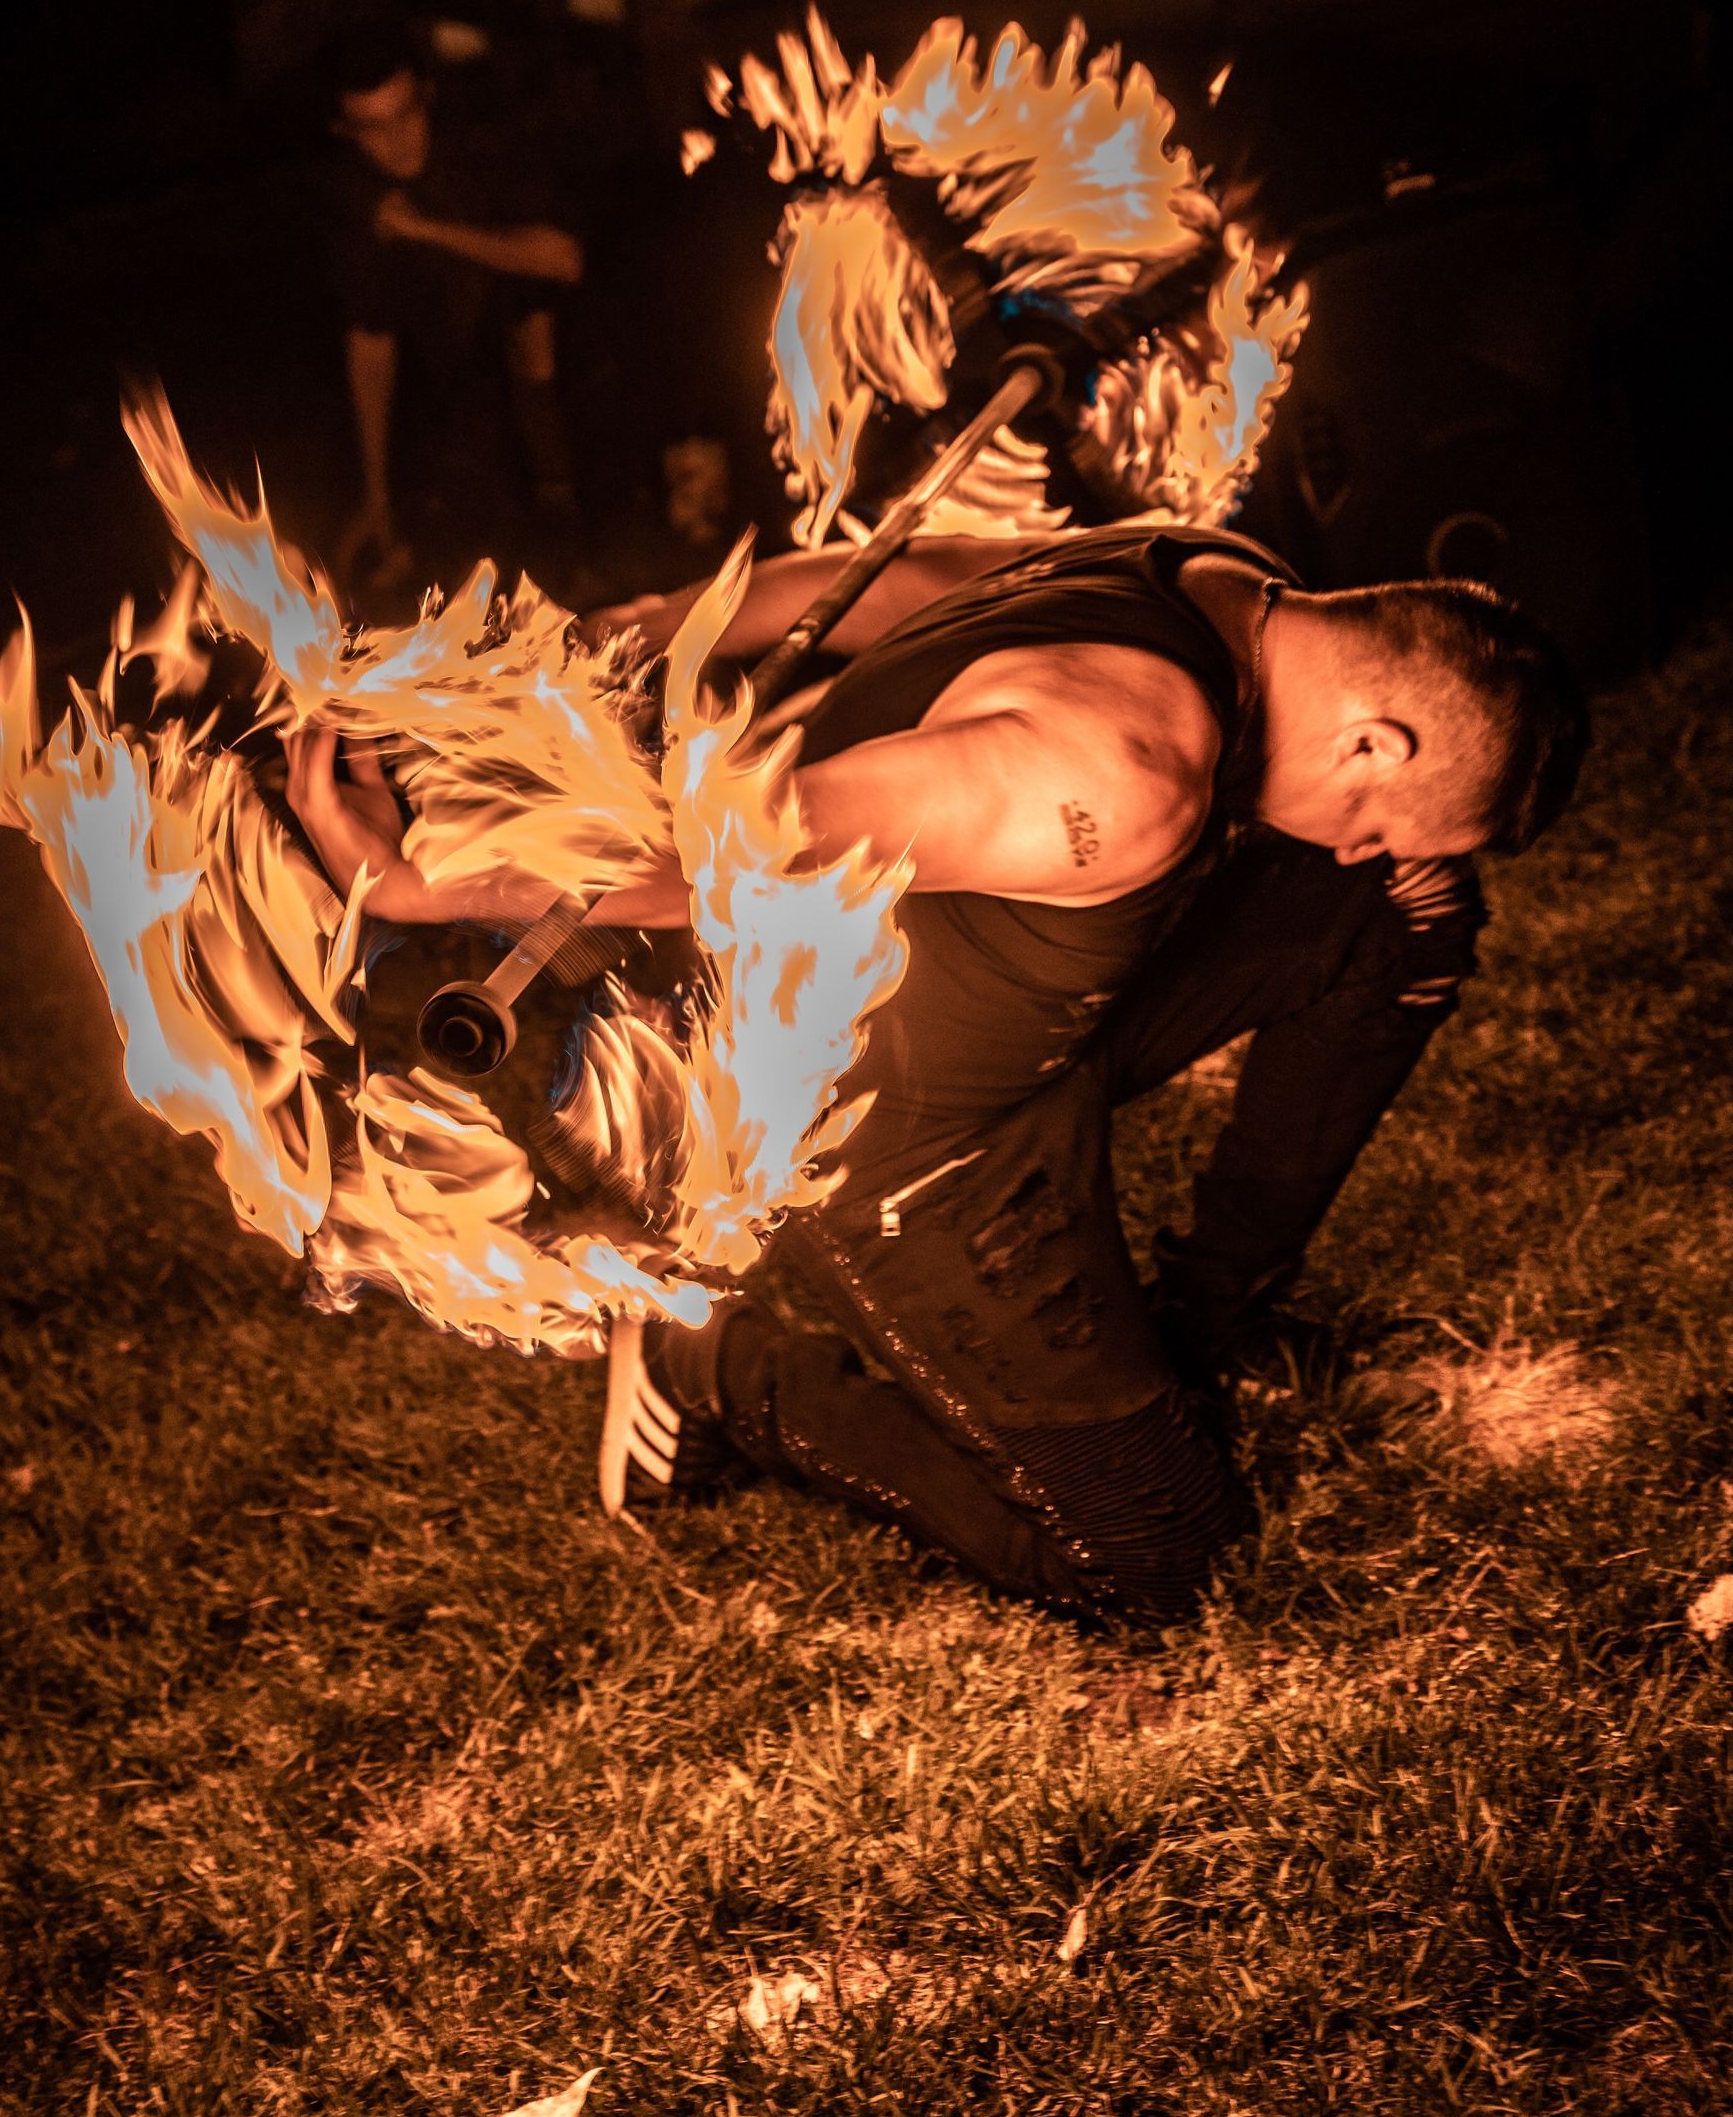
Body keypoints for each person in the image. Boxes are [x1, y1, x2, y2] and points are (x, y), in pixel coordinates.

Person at [284, 521, 1587, 1627]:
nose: (1358, 846)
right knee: (1150, 1563)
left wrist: (623, 630)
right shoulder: (1112, 776)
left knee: (1405, 909)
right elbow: (735, 850)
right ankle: (708, 1362)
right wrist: (417, 881)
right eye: (1378, 820)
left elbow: (875, 581)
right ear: (1377, 746)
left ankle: (1215, 1320)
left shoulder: (1206, 569)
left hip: (1027, 1017)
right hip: (889, 1141)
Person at [322, 18, 584, 585]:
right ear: (345, 130)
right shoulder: (355, 192)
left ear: (428, 98)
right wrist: (377, 492)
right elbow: (370, 339)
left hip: (576, 346)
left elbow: (563, 260)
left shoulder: (482, 140)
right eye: (373, 128)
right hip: (466, 386)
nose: (397, 141)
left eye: (406, 115)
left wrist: (426, 230)